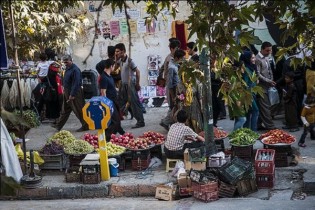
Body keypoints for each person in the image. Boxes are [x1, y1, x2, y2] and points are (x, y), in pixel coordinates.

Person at [53, 55, 89, 132]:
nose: (65, 63)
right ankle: (58, 126)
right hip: (67, 92)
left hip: (75, 93)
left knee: (79, 110)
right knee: (65, 110)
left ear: (71, 60)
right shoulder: (67, 68)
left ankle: (86, 125)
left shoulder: (75, 70)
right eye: (64, 61)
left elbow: (76, 83)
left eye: (67, 61)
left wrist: (72, 94)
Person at [114, 43, 145, 128]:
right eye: (115, 51)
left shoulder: (130, 61)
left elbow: (137, 72)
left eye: (118, 51)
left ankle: (140, 121)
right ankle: (129, 110)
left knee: (135, 103)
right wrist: (116, 59)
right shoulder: (120, 61)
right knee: (121, 102)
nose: (116, 53)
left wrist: (137, 84)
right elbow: (114, 70)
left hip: (130, 85)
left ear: (123, 51)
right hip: (123, 85)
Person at [98, 59, 125, 140]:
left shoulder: (109, 76)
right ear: (111, 66)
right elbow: (103, 92)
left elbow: (111, 88)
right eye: (114, 66)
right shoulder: (104, 77)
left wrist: (117, 90)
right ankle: (106, 138)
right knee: (114, 121)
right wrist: (107, 106)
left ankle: (122, 132)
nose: (115, 68)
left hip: (114, 100)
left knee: (117, 119)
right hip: (109, 102)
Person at [159, 39, 181, 130]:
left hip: (172, 84)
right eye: (176, 48)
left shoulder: (169, 57)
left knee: (174, 106)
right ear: (172, 49)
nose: (177, 50)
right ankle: (166, 121)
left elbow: (161, 68)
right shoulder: (171, 59)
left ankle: (170, 123)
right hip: (171, 85)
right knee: (173, 106)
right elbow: (170, 77)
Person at [255, 41, 277, 130]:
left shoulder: (267, 58)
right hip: (261, 87)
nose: (269, 52)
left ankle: (259, 124)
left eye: (270, 51)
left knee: (267, 106)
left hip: (268, 86)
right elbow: (258, 74)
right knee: (265, 108)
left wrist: (271, 80)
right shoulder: (257, 59)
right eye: (267, 51)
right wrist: (268, 81)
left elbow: (269, 70)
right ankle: (271, 127)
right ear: (262, 49)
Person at [241, 51, 259, 131]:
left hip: (251, 93)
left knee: (248, 113)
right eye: (252, 58)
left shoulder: (250, 67)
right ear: (247, 59)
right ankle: (253, 132)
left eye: (254, 57)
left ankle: (247, 132)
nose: (254, 59)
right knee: (255, 111)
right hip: (248, 94)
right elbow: (245, 84)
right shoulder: (246, 69)